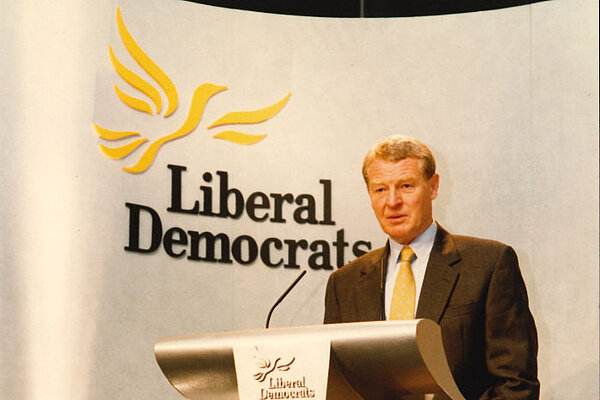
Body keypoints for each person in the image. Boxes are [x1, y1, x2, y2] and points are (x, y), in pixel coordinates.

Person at [324, 135, 539, 399]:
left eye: (405, 186)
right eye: (380, 189)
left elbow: (515, 384)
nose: (392, 202)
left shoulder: (489, 264)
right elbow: (335, 384)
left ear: (434, 187)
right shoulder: (344, 284)